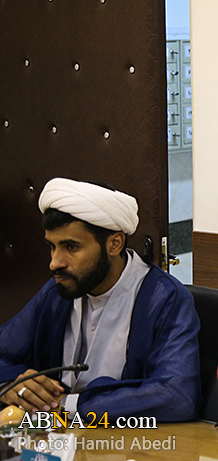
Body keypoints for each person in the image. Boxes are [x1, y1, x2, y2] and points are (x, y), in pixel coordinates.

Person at [0, 178, 201, 421]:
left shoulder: (164, 298)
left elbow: (178, 396)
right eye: (52, 247)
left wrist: (68, 405)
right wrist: (10, 384)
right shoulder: (58, 291)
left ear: (114, 244)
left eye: (71, 247)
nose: (55, 262)